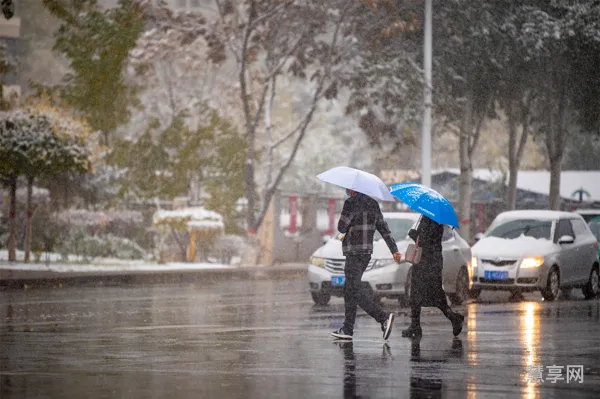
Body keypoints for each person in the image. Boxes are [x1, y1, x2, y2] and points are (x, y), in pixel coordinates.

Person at [331, 189, 402, 341]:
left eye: (347, 188)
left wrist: (347, 226)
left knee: (353, 289)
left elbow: (341, 227)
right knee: (350, 289)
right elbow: (384, 229)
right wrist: (394, 250)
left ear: (352, 189)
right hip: (366, 253)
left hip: (353, 253)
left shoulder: (350, 203)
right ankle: (348, 329)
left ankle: (383, 317)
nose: (345, 190)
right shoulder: (373, 204)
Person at [401, 215, 464, 338]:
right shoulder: (426, 218)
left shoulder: (434, 220)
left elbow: (426, 241)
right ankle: (415, 326)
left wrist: (415, 235)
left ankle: (454, 318)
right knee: (415, 294)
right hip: (422, 262)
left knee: (435, 296)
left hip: (430, 264)